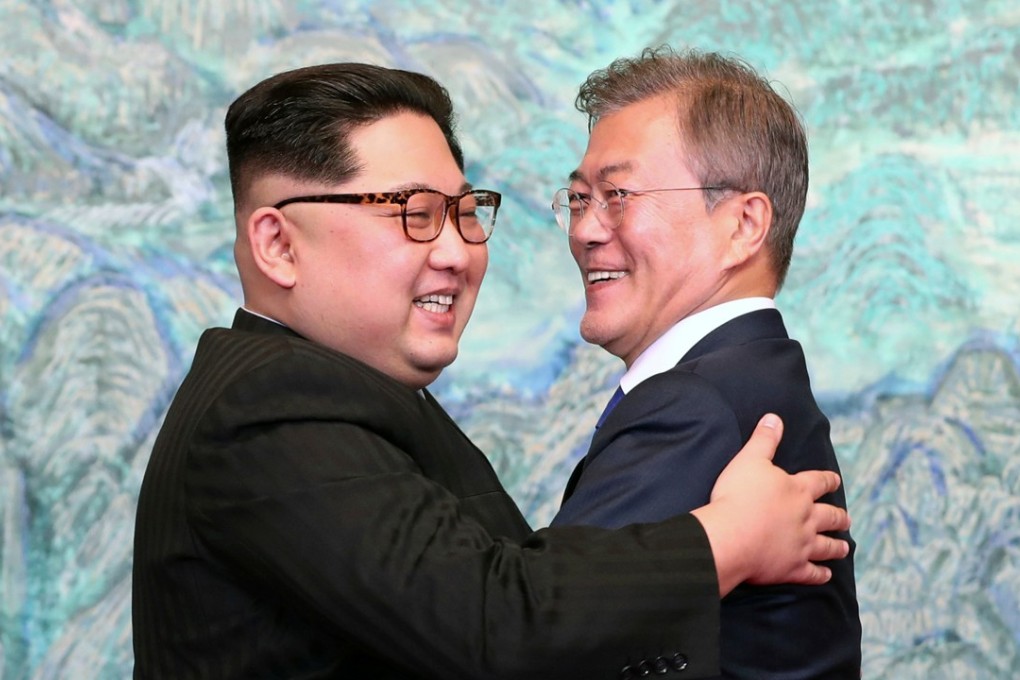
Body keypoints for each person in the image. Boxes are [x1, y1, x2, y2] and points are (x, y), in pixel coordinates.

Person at [132, 62, 851, 680]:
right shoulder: (270, 407)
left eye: (465, 211)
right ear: (278, 246)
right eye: (413, 212)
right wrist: (728, 539)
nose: (457, 249)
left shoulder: (360, 397)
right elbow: (502, 625)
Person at [549, 47, 862, 678]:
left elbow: (540, 632)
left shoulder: (696, 404)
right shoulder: (750, 381)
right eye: (579, 199)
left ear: (743, 226)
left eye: (618, 194)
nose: (583, 230)